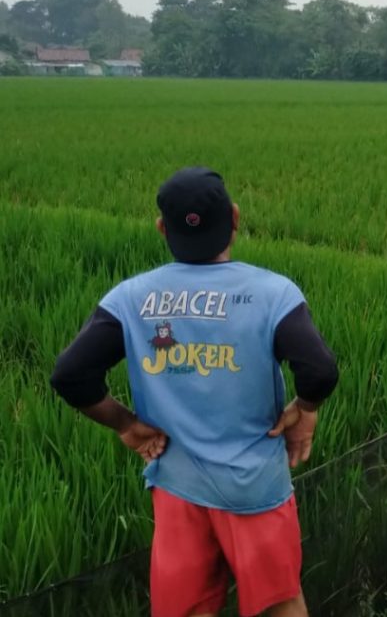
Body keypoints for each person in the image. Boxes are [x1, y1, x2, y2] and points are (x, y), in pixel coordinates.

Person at [50, 167, 339, 617]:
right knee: (278, 605)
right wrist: (305, 408)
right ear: (236, 218)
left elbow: (70, 375)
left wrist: (126, 424)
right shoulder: (271, 292)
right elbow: (319, 370)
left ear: (162, 228)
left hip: (177, 487)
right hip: (254, 489)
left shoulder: (131, 298)